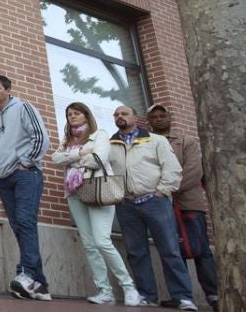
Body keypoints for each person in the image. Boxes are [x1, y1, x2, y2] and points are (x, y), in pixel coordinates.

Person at [50, 102, 142, 306]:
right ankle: (104, 290)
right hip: (74, 193)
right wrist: (80, 154)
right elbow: (56, 158)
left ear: (86, 115)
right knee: (90, 244)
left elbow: (99, 158)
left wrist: (72, 158)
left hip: (98, 189)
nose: (72, 117)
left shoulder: (99, 134)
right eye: (69, 114)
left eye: (76, 113)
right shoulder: (67, 139)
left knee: (102, 241)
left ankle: (128, 286)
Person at [109, 105, 197, 311]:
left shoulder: (155, 140)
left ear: (135, 118)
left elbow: (172, 168)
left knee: (170, 249)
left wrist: (162, 191)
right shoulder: (110, 144)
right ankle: (147, 295)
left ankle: (183, 297)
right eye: (116, 114)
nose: (119, 117)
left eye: (124, 113)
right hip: (127, 204)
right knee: (136, 252)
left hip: (155, 201)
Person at [0, 74, 50, 301]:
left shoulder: (23, 107)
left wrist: (26, 162)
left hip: (25, 175)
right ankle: (40, 285)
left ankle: (27, 273)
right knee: (19, 226)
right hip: (3, 179)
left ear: (7, 90)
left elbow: (41, 137)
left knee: (25, 221)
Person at [147, 104, 218, 311]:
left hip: (188, 204)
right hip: (160, 205)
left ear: (170, 117)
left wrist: (168, 189)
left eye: (163, 115)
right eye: (154, 117)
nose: (159, 119)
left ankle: (213, 295)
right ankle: (181, 295)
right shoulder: (147, 142)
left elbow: (194, 171)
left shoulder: (186, 141)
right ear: (149, 121)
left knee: (201, 250)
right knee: (171, 250)